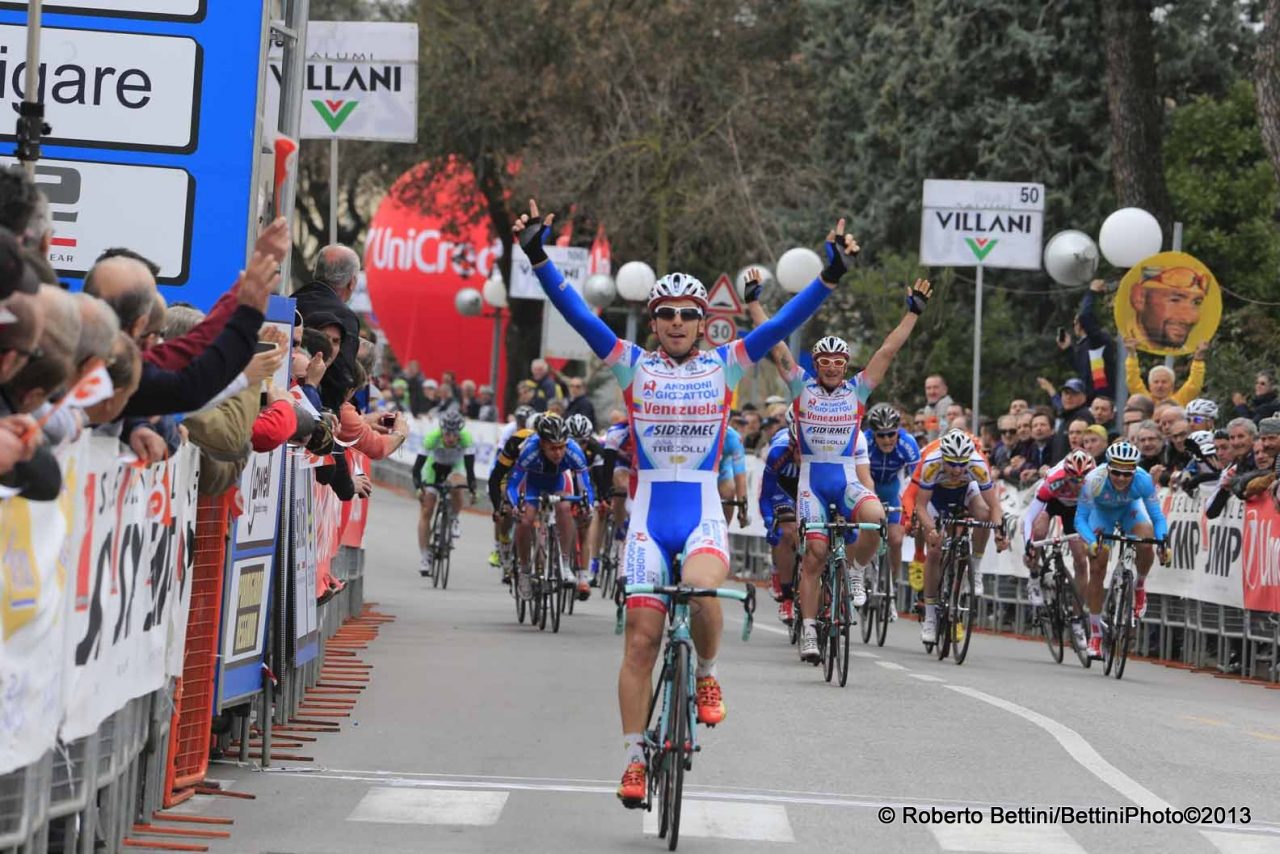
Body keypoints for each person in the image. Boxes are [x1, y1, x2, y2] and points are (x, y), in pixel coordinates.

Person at [514, 198, 850, 806]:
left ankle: (707, 674)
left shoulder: (728, 363)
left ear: (703, 322)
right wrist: (537, 255)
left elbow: (779, 326)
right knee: (640, 640)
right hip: (647, 517)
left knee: (700, 591)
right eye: (664, 313)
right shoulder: (630, 362)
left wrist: (828, 277)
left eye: (686, 315)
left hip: (700, 513)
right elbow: (575, 310)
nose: (674, 322)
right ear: (654, 319)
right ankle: (634, 759)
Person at [1076, 441, 1170, 659]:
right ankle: (1096, 634)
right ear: (1108, 468)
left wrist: (1164, 542)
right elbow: (1080, 519)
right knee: (1098, 565)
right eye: (1116, 473)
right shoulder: (1094, 480)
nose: (1121, 478)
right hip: (1101, 514)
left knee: (1146, 540)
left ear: (1134, 471)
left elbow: (1157, 517)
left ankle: (1139, 585)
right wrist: (1091, 541)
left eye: (1127, 474)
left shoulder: (1144, 480)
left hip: (1130, 510)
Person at [913, 430, 1007, 644]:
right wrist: (931, 529)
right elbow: (920, 506)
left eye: (961, 464)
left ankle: (975, 564)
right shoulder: (932, 463)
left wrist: (999, 532)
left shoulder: (977, 464)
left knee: (982, 514)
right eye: (951, 464)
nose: (957, 469)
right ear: (943, 457)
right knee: (935, 551)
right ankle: (929, 617)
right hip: (936, 498)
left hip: (965, 492)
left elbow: (994, 507)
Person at [507, 412, 595, 597]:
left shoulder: (573, 450)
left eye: (561, 447)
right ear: (542, 445)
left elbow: (585, 484)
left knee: (564, 507)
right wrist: (516, 504)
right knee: (525, 520)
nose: (558, 453)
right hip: (533, 483)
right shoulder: (530, 451)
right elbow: (513, 485)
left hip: (558, 481)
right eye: (552, 448)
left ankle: (564, 563)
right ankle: (524, 572)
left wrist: (589, 505)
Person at [1021, 449, 1095, 648]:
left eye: (1083, 480)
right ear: (1066, 474)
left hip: (1076, 511)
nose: (1079, 484)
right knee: (1039, 530)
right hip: (1052, 503)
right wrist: (1028, 543)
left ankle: (1078, 619)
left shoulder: (1098, 482)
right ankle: (1034, 575)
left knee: (1081, 561)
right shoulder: (1054, 479)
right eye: (1074, 480)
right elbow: (1029, 517)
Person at [864, 403, 921, 615]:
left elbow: (918, 480)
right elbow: (853, 474)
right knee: (866, 532)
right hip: (867, 486)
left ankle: (891, 585)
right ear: (873, 433)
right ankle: (862, 573)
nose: (887, 440)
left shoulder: (907, 443)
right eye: (882, 435)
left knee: (896, 539)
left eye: (891, 434)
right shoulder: (864, 441)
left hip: (891, 489)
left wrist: (912, 511)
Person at [294, 244, 362, 410]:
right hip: (318, 413)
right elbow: (341, 377)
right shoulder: (345, 317)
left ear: (316, 271)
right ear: (352, 282)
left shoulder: (292, 302)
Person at [412, 410, 476, 576]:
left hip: (454, 468)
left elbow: (470, 470)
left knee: (458, 484)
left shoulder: (466, 439)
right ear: (442, 431)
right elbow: (417, 469)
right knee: (427, 509)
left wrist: (473, 490)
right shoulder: (432, 438)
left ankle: (454, 518)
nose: (451, 438)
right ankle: (425, 556)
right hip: (434, 469)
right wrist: (419, 488)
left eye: (454, 434)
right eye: (447, 433)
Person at [759, 413, 801, 623]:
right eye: (798, 451)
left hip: (809, 486)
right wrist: (769, 521)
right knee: (787, 530)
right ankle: (787, 596)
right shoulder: (778, 453)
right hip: (782, 488)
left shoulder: (821, 451)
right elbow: (765, 495)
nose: (801, 457)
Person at [487, 409, 538, 578]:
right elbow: (498, 476)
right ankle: (505, 549)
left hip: (533, 478)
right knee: (507, 510)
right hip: (510, 474)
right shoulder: (516, 439)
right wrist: (498, 507)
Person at [1058, 278, 1118, 400]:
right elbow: (1082, 370)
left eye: (1075, 322)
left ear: (1080, 324)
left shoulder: (1098, 340)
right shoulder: (1084, 345)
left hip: (1104, 399)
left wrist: (1092, 292)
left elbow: (1085, 316)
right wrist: (1067, 350)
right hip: (1090, 399)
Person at [1125, 265, 1207, 352]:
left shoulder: (1184, 351)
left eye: (1196, 303)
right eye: (1175, 300)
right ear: (1140, 298)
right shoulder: (1120, 348)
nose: (1189, 319)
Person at [1124, 342, 1207, 407]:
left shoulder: (1179, 401)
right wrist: (1132, 355)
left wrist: (1198, 359)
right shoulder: (1145, 402)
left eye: (1164, 382)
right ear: (1150, 385)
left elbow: (1194, 385)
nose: (1160, 385)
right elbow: (1133, 381)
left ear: (1172, 385)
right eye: (1156, 382)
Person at [718, 424, 749, 528]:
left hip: (721, 470)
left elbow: (740, 477)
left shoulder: (733, 438)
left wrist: (742, 510)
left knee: (729, 490)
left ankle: (724, 529)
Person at [919, 374, 953, 441]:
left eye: (936, 387)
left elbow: (944, 432)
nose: (932, 392)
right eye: (928, 388)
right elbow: (932, 433)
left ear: (945, 389)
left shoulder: (946, 404)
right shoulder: (928, 408)